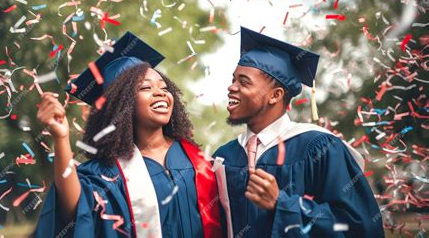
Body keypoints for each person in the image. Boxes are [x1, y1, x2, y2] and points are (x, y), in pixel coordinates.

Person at [34, 32, 221, 238]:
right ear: (121, 103)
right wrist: (61, 138)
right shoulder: (109, 172)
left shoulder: (197, 160)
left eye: (164, 87)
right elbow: (76, 209)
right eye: (146, 88)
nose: (160, 93)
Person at [212, 27, 384, 237]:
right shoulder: (224, 156)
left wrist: (282, 205)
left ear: (275, 95)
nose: (232, 87)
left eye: (243, 82)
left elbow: (358, 226)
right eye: (233, 79)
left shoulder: (320, 147)